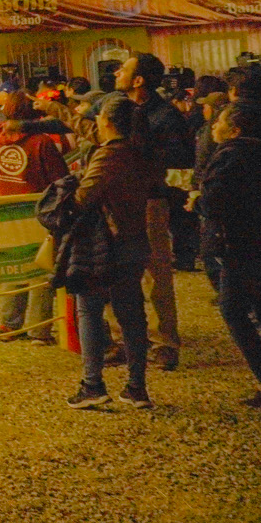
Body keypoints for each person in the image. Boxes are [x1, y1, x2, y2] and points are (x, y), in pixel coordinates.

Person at [60, 97, 157, 410]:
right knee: (132, 314)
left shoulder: (111, 154)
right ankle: (137, 387)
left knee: (88, 309)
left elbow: (84, 196)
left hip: (107, 245)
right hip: (135, 239)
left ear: (108, 121)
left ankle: (92, 385)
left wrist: (70, 188)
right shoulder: (141, 150)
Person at [199, 101, 261, 406]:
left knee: (233, 309)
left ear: (234, 130)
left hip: (240, 246)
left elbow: (214, 202)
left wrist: (197, 201)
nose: (213, 127)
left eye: (219, 122)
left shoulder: (229, 156)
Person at [114, 54, 188, 369]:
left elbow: (180, 157)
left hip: (150, 200)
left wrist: (139, 152)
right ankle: (124, 339)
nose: (117, 73)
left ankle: (164, 342)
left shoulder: (165, 115)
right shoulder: (115, 106)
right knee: (116, 270)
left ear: (139, 80)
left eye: (123, 69)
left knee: (156, 272)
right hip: (117, 199)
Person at [0, 92, 68, 343]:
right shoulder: (42, 142)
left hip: (6, 210)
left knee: (13, 268)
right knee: (41, 270)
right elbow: (59, 179)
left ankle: (9, 324)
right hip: (38, 212)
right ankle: (39, 330)